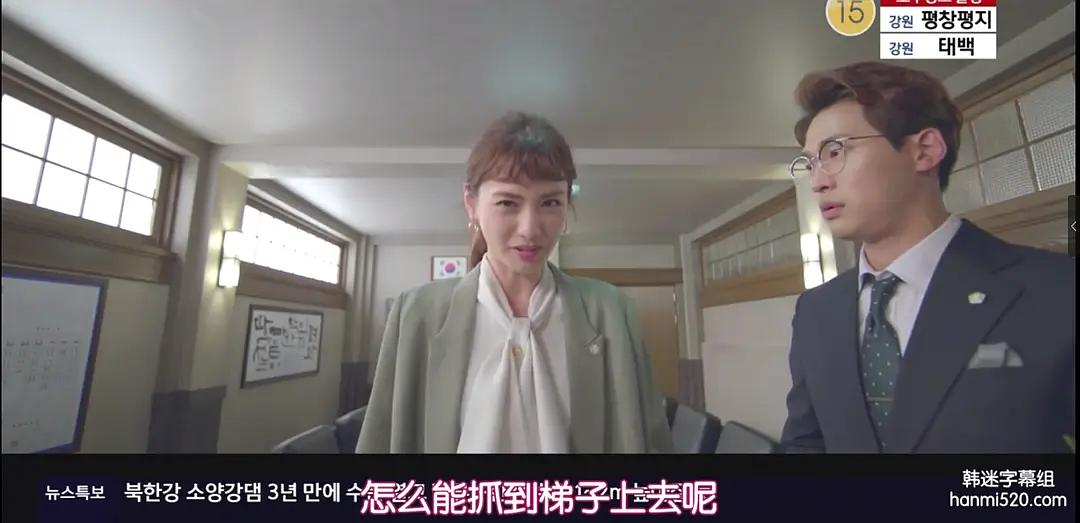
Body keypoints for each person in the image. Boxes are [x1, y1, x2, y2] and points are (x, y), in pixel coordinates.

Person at [781, 62, 1075, 453]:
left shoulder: (1055, 289)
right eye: (810, 163)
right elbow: (806, 445)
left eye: (835, 152)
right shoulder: (817, 310)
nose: (818, 181)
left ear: (925, 150)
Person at [356, 111, 673, 453]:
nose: (530, 228)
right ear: (472, 204)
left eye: (550, 202)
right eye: (508, 202)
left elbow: (650, 442)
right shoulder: (416, 315)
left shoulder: (611, 313)